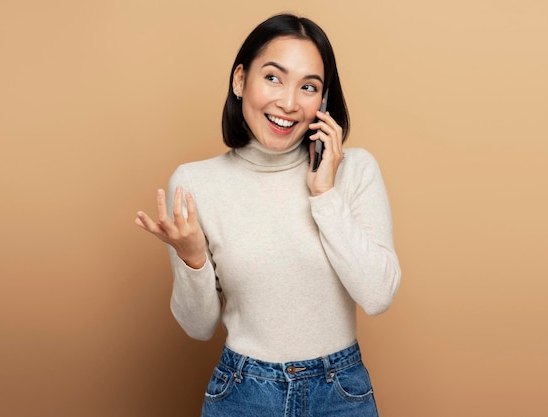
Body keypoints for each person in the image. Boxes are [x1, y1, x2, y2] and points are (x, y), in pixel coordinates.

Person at [135, 13, 401, 417]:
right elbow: (198, 327)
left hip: (340, 392)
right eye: (274, 78)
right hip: (244, 393)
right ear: (240, 80)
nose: (289, 103)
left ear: (323, 100)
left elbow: (378, 295)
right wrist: (193, 259)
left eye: (308, 87)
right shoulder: (194, 183)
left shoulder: (355, 170)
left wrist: (324, 194)